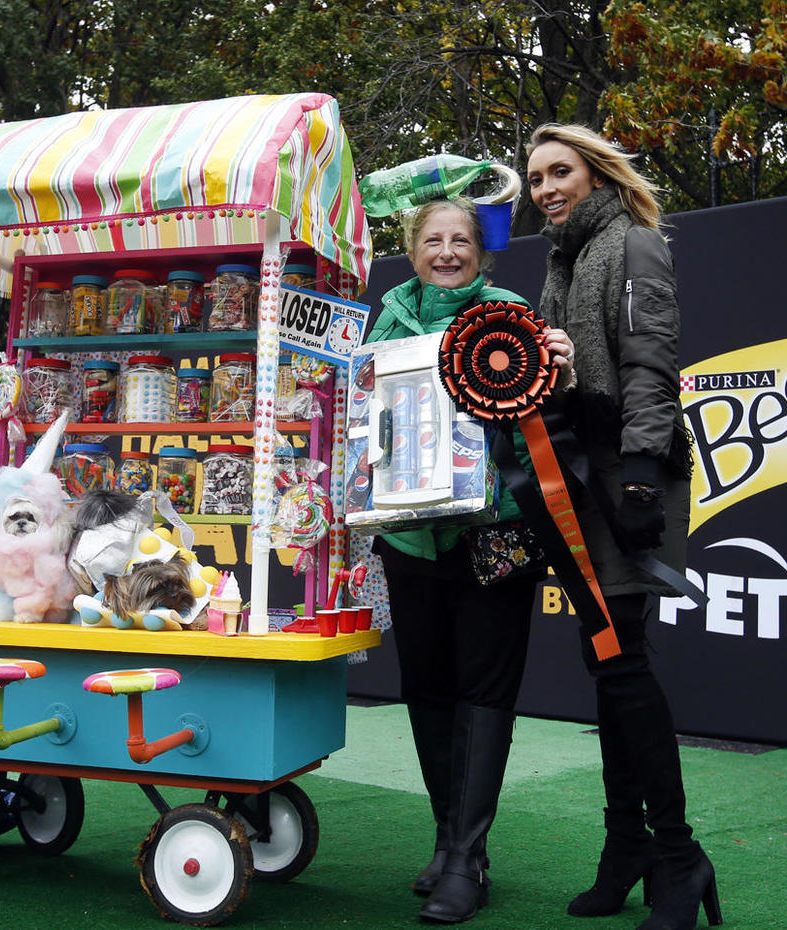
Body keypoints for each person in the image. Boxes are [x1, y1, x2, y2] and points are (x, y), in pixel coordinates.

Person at [526, 125, 719, 930]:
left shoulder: (634, 244)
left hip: (629, 477)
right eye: (534, 177)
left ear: (595, 172)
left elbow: (651, 363)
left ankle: (679, 857)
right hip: (576, 480)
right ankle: (624, 846)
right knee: (605, 662)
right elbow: (560, 379)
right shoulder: (559, 262)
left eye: (558, 170)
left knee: (625, 661)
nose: (544, 187)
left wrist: (641, 470)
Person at [366, 197, 549, 923]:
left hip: (492, 532)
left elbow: (540, 411)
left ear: (482, 250)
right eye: (433, 240)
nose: (447, 252)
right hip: (410, 536)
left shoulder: (508, 310)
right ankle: (447, 841)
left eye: (461, 240)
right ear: (411, 252)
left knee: (484, 690)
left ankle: (469, 857)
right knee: (429, 688)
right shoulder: (387, 316)